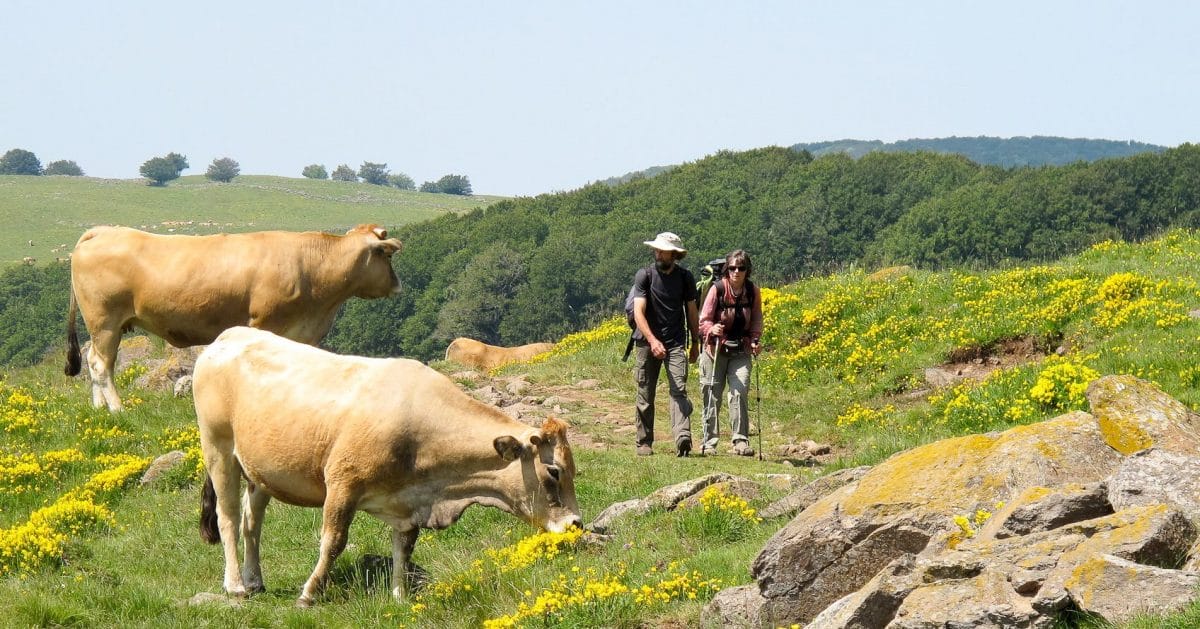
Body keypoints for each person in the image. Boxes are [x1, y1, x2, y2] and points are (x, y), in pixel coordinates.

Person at [631, 232, 701, 457]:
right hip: (646, 342)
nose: (658, 253)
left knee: (679, 389)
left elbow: (692, 311)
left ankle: (682, 437)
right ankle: (644, 442)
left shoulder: (685, 278)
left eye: (663, 251)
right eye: (657, 250)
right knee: (645, 393)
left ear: (674, 255)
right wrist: (652, 340)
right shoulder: (645, 276)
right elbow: (638, 312)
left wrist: (695, 342)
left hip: (675, 342)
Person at [697, 249, 763, 456]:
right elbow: (704, 320)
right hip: (715, 350)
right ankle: (709, 442)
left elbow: (756, 319)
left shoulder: (752, 291)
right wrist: (711, 329)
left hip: (741, 349)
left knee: (739, 391)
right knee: (712, 394)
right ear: (727, 269)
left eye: (741, 268)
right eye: (732, 268)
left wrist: (755, 340)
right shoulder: (717, 289)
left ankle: (740, 440)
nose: (736, 272)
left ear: (747, 270)